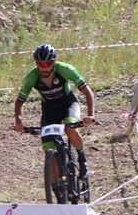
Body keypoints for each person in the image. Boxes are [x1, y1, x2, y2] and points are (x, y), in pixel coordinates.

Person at [12, 44, 96, 179]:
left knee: (70, 128)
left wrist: (91, 114)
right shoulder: (32, 76)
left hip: (69, 105)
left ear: (54, 62)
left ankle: (82, 159)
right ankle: (56, 188)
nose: (44, 68)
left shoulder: (65, 69)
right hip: (49, 110)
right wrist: (18, 121)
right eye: (40, 64)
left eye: (48, 64)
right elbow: (20, 101)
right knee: (48, 149)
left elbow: (88, 92)